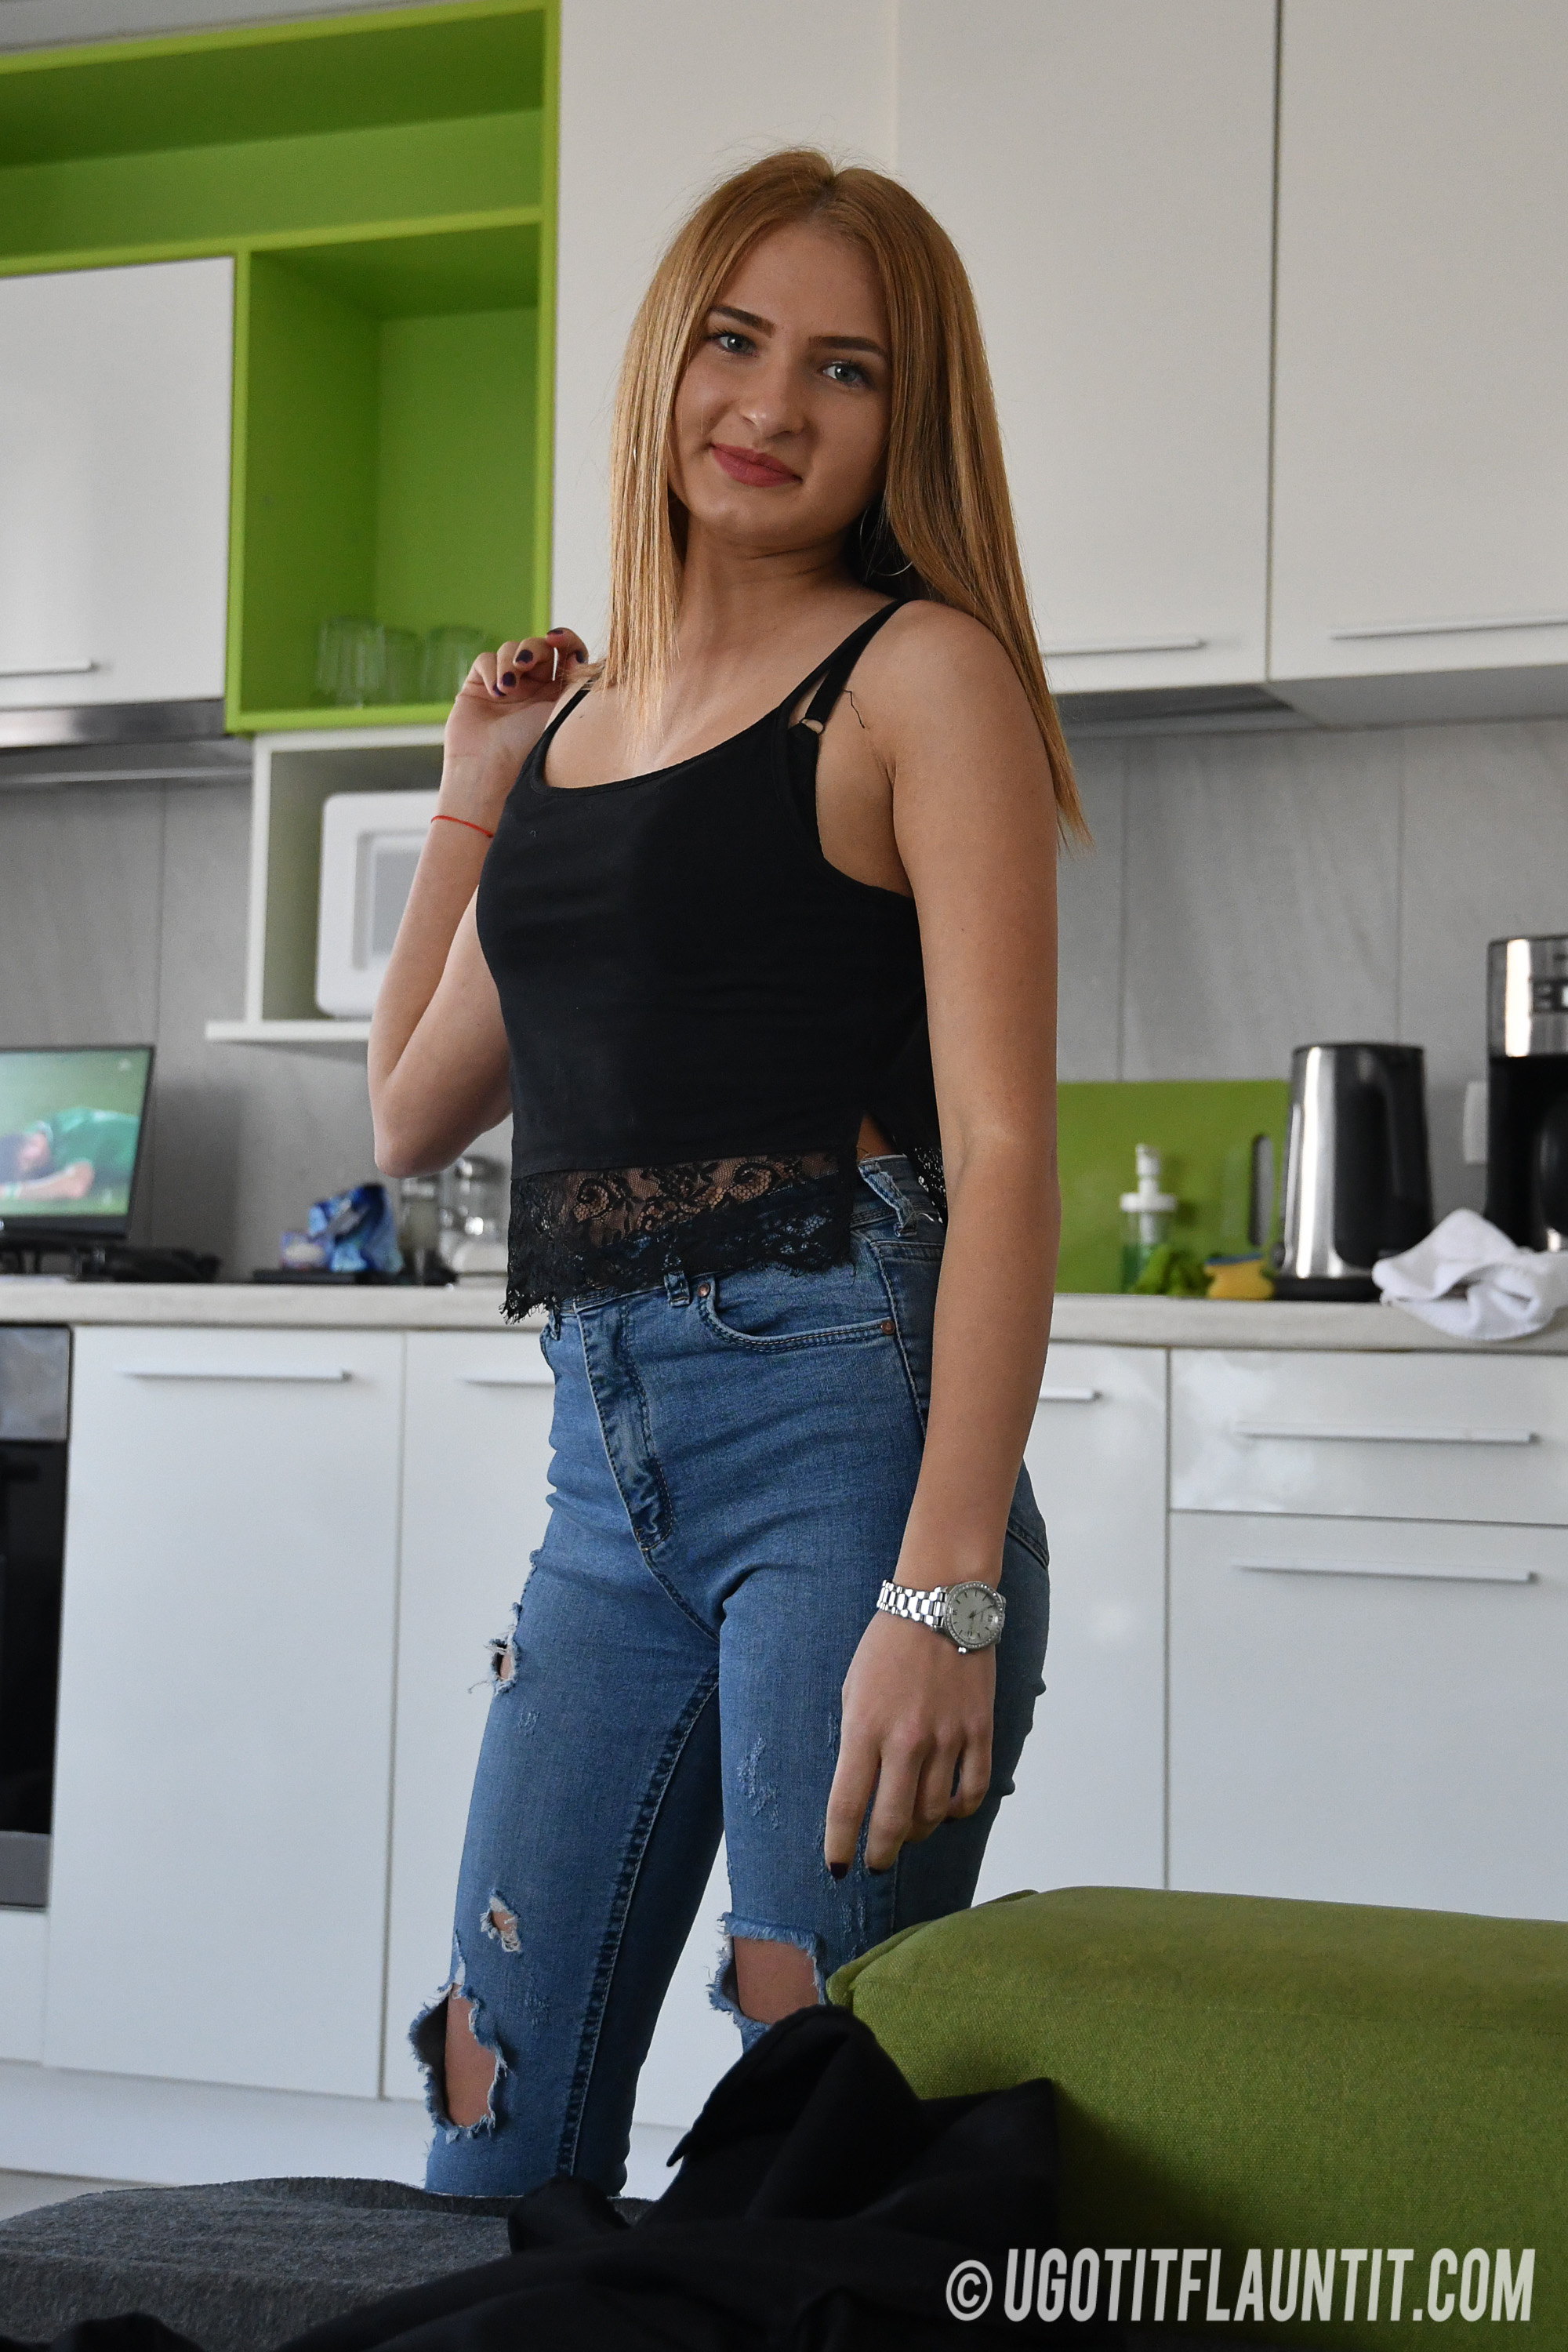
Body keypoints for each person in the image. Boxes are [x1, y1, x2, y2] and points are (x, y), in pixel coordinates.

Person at [369, 148, 1084, 2198]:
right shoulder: (574, 730)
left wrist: (941, 1588)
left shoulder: (916, 675)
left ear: (903, 423)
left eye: (845, 369)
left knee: (801, 2135)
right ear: (663, 363)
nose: (771, 405)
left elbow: (1006, 1144)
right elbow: (405, 1115)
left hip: (844, 1445)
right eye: (735, 341)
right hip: (603, 1481)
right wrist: (468, 795)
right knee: (492, 2120)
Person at [0, 1106, 140, 1206]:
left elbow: (76, 1186)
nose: (35, 1155)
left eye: (30, 1160)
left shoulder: (75, 1131)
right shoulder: (40, 1131)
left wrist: (10, 1191)